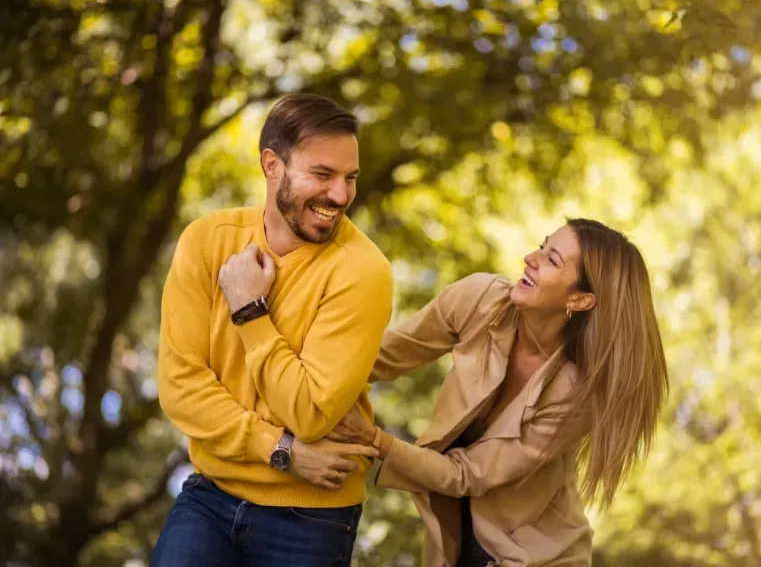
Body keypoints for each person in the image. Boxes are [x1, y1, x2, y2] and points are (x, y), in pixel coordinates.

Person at [329, 219, 669, 566]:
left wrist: (376, 440)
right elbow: (385, 356)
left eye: (552, 260)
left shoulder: (576, 394)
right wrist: (301, 368)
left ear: (580, 299)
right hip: (454, 538)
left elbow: (466, 474)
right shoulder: (481, 301)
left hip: (535, 554)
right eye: (541, 245)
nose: (529, 258)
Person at [152, 93, 393, 566]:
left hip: (312, 519)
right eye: (322, 175)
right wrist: (281, 450)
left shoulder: (363, 272)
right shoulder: (206, 242)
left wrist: (248, 310)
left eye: (350, 178)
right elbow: (181, 389)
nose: (341, 195)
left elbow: (310, 413)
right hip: (210, 495)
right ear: (272, 165)